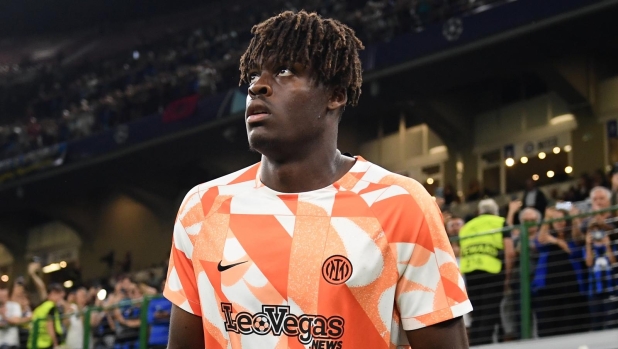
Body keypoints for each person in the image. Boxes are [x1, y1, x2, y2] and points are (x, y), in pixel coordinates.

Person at [164, 10, 471, 349]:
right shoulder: (203, 207)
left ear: (335, 95)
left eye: (284, 71)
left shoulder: (400, 205)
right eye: (254, 74)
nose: (257, 86)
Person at [458, 199, 514, 345]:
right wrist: (507, 278)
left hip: (470, 273)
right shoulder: (500, 222)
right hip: (492, 271)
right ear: (495, 211)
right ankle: (483, 344)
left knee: (477, 313)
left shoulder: (466, 227)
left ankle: (475, 344)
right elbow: (510, 252)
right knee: (489, 312)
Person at [532, 207, 588, 336]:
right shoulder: (547, 239)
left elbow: (578, 243)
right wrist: (547, 219)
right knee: (548, 329)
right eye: (556, 219)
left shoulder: (572, 237)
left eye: (562, 219)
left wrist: (575, 218)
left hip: (572, 289)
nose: (559, 222)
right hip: (547, 290)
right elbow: (539, 241)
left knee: (571, 328)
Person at [584, 219, 617, 330]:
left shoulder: (612, 246)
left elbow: (614, 262)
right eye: (593, 231)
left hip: (611, 288)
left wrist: (607, 246)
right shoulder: (588, 248)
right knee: (596, 321)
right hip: (594, 290)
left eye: (599, 230)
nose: (597, 234)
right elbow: (589, 263)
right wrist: (588, 245)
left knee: (611, 320)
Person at [27, 283, 65, 349]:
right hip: (45, 344)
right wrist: (55, 344)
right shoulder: (51, 307)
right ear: (52, 293)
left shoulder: (40, 307)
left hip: (33, 343)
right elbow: (49, 326)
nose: (60, 298)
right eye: (59, 294)